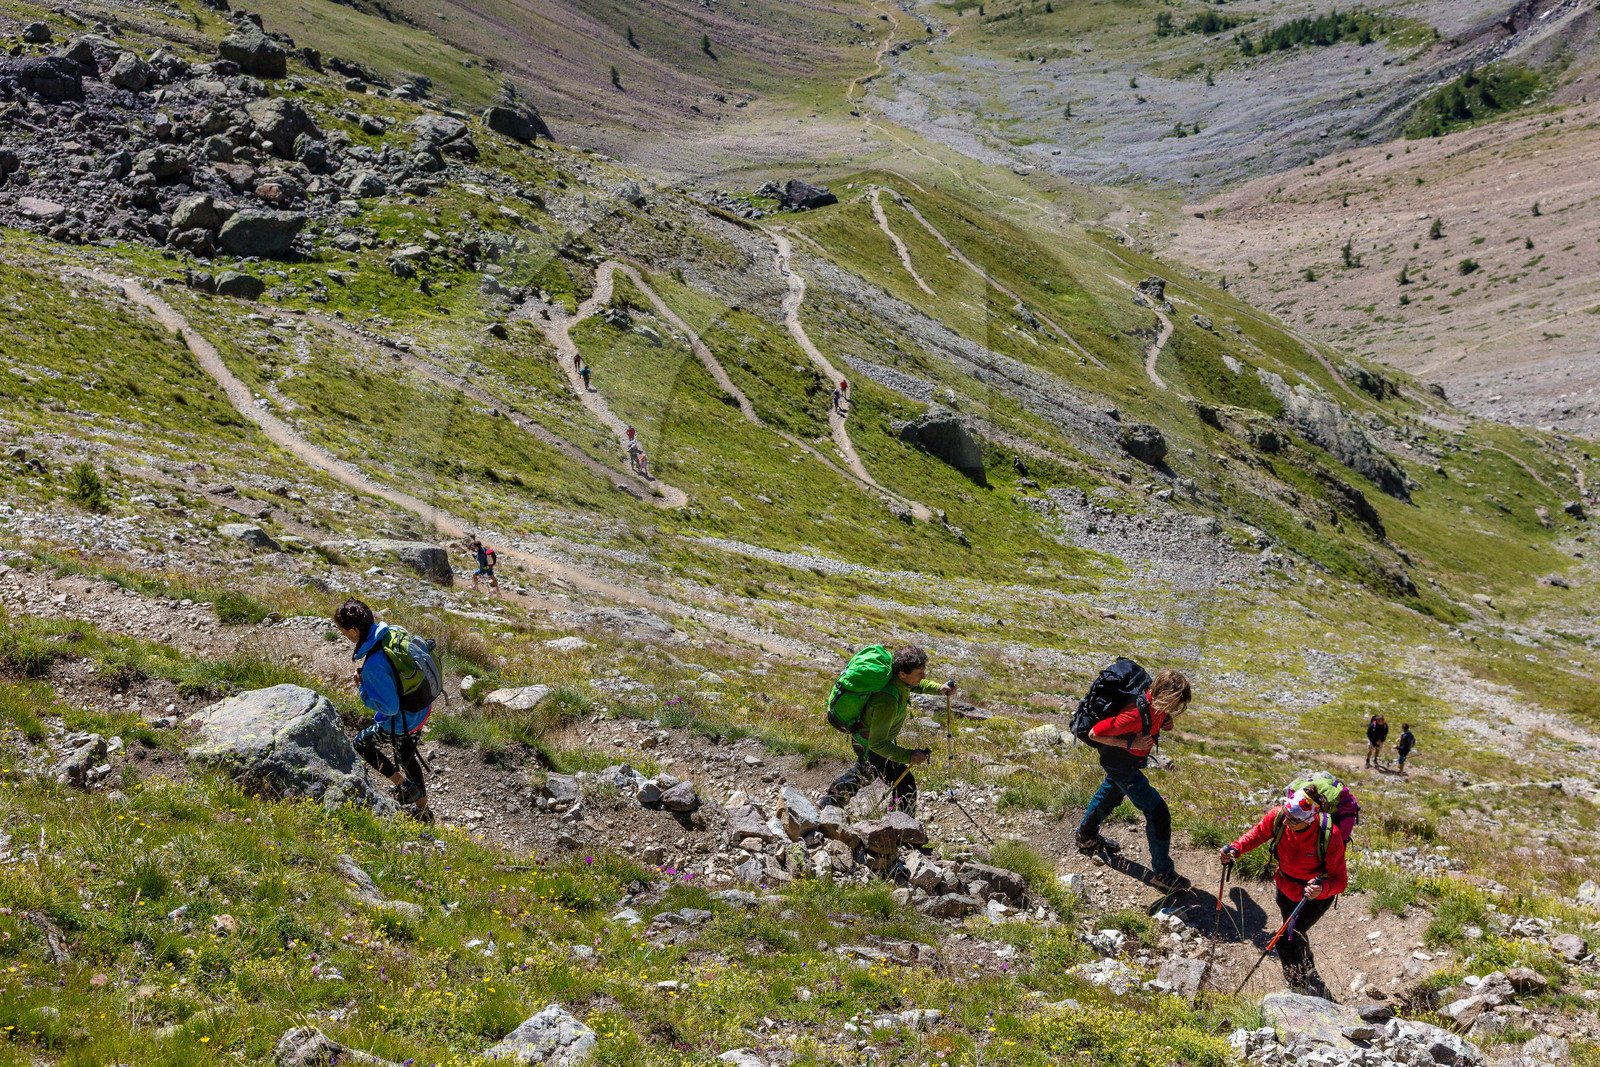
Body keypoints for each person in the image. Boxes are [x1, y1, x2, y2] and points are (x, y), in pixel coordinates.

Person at [1221, 786, 1348, 997]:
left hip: (1314, 898)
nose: (1286, 822)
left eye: (1293, 820)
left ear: (1309, 819)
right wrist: (1236, 848)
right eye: (1286, 815)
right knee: (1295, 932)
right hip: (1285, 888)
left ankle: (1298, 988)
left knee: (1286, 940)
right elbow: (1258, 834)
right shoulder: (1279, 817)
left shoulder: (1329, 835)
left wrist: (1322, 889)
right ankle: (1308, 968)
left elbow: (1340, 880)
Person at [1076, 667, 1192, 893]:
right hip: (1120, 763)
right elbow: (1094, 734)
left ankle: (1086, 836)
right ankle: (1162, 873)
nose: (1176, 709)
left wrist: (1165, 720)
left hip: (1126, 762)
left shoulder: (1154, 702)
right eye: (1174, 704)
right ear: (1164, 696)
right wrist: (1131, 745)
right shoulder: (1133, 715)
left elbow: (1154, 717)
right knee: (1158, 812)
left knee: (1111, 792)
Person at [822, 645, 953, 817]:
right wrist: (909, 755)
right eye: (919, 673)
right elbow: (877, 743)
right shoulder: (888, 701)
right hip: (869, 744)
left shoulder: (897, 680)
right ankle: (905, 827)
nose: (924, 676)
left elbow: (915, 685)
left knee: (865, 773)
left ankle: (831, 800)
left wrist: (939, 688)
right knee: (901, 782)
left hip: (866, 738)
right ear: (902, 674)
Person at [334, 598, 433, 821]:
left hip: (402, 720)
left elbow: (389, 708)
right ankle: (423, 811)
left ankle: (405, 785)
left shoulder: (373, 665)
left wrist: (363, 689)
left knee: (361, 743)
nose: (342, 635)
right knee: (407, 756)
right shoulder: (393, 632)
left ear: (354, 630)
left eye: (343, 631)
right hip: (420, 708)